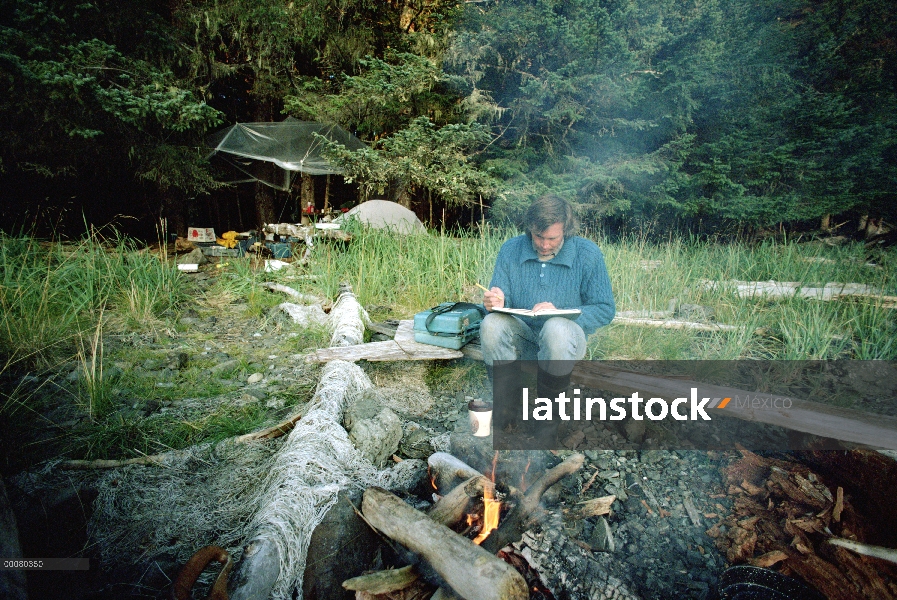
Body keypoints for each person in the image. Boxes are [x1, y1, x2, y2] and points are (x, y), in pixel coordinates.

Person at [481, 194, 615, 405]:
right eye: (538, 236)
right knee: (490, 324)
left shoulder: (588, 253)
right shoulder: (510, 249)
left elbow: (605, 309)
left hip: (564, 343)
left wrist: (561, 313)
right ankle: (507, 407)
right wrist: (495, 302)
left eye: (552, 239)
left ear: (566, 231)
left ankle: (548, 415)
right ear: (530, 229)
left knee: (556, 328)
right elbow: (499, 299)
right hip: (523, 339)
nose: (544, 245)